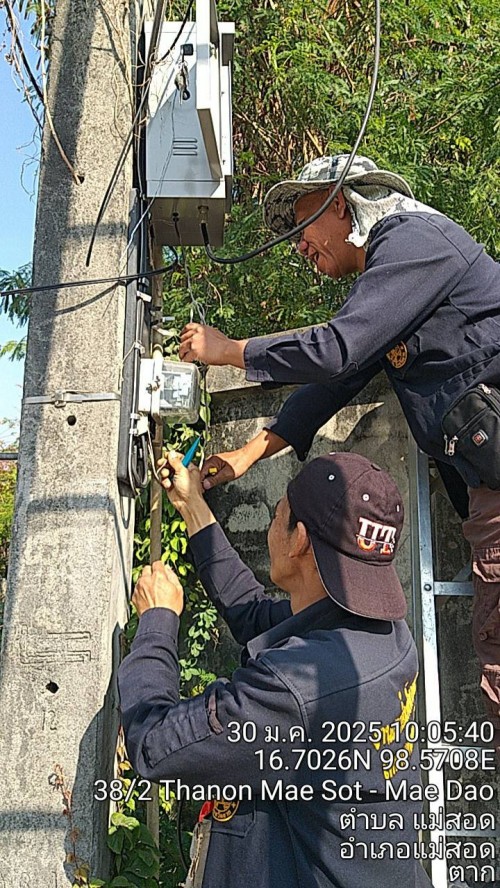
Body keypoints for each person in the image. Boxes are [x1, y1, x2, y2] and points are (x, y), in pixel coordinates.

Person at [177, 154, 500, 751]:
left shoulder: (415, 242)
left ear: (341, 205)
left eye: (303, 226)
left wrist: (228, 350)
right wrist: (251, 453)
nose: (299, 246)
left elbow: (336, 349)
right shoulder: (396, 277)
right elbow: (339, 377)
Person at [118, 449, 433, 888]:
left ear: (299, 539)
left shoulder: (297, 689)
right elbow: (254, 614)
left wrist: (157, 622)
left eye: (277, 511)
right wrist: (193, 505)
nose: (272, 520)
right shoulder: (385, 635)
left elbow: (154, 743)